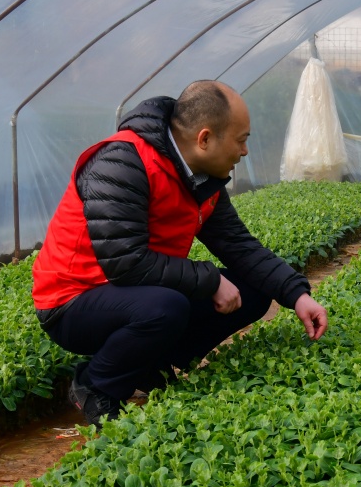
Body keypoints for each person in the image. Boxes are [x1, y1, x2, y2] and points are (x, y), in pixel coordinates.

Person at [31, 80, 329, 425]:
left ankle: (148, 365)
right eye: (241, 140)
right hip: (73, 300)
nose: (245, 152)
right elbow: (125, 263)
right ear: (204, 139)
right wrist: (210, 279)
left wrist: (296, 294)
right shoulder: (123, 161)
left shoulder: (202, 180)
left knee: (254, 288)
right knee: (165, 308)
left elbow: (239, 246)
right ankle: (95, 385)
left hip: (134, 292)